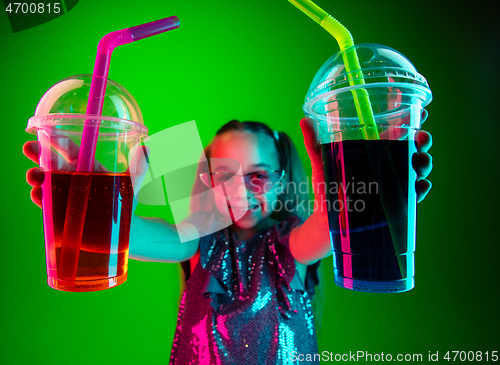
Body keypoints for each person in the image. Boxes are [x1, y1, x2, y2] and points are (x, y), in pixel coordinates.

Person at [23, 117, 433, 364]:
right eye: (226, 175)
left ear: (281, 181)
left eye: (258, 175)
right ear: (207, 181)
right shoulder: (198, 241)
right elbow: (120, 234)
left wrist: (373, 191)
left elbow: (328, 229)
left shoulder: (290, 242)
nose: (241, 191)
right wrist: (99, 195)